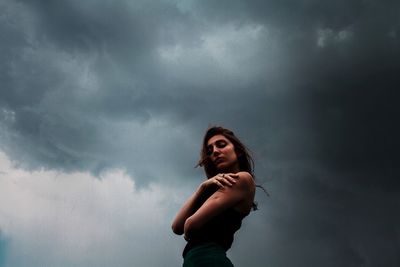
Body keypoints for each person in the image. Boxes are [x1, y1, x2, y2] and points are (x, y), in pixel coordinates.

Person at [172, 126, 256, 267]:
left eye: (221, 145)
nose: (215, 152)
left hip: (209, 259)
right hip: (196, 260)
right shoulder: (215, 189)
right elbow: (177, 226)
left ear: (238, 152)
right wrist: (202, 188)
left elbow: (190, 225)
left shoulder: (242, 179)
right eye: (210, 151)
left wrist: (189, 231)